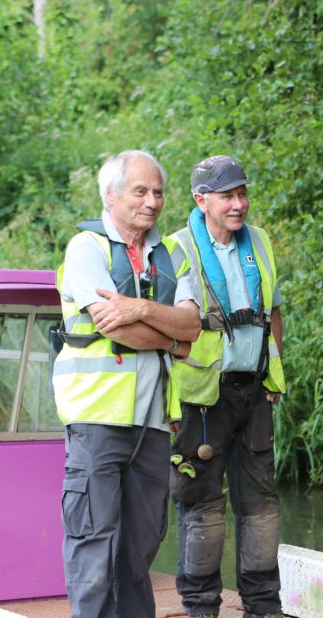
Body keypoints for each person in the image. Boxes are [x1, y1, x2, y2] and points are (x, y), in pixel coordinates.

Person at [53, 149, 201, 618]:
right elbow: (110, 326)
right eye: (140, 191)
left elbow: (193, 325)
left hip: (154, 423)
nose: (153, 201)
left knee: (141, 547)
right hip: (96, 420)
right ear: (110, 195)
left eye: (158, 191)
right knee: (94, 545)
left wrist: (138, 308)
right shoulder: (87, 249)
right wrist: (168, 338)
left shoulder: (173, 252)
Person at [168, 155, 287, 618]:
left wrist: (276, 373)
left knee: (261, 506)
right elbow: (164, 325)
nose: (239, 205)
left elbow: (272, 311)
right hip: (201, 398)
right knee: (202, 507)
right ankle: (201, 609)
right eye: (227, 197)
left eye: (242, 194)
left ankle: (263, 607)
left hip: (254, 389)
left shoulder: (259, 240)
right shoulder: (177, 248)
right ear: (201, 201)